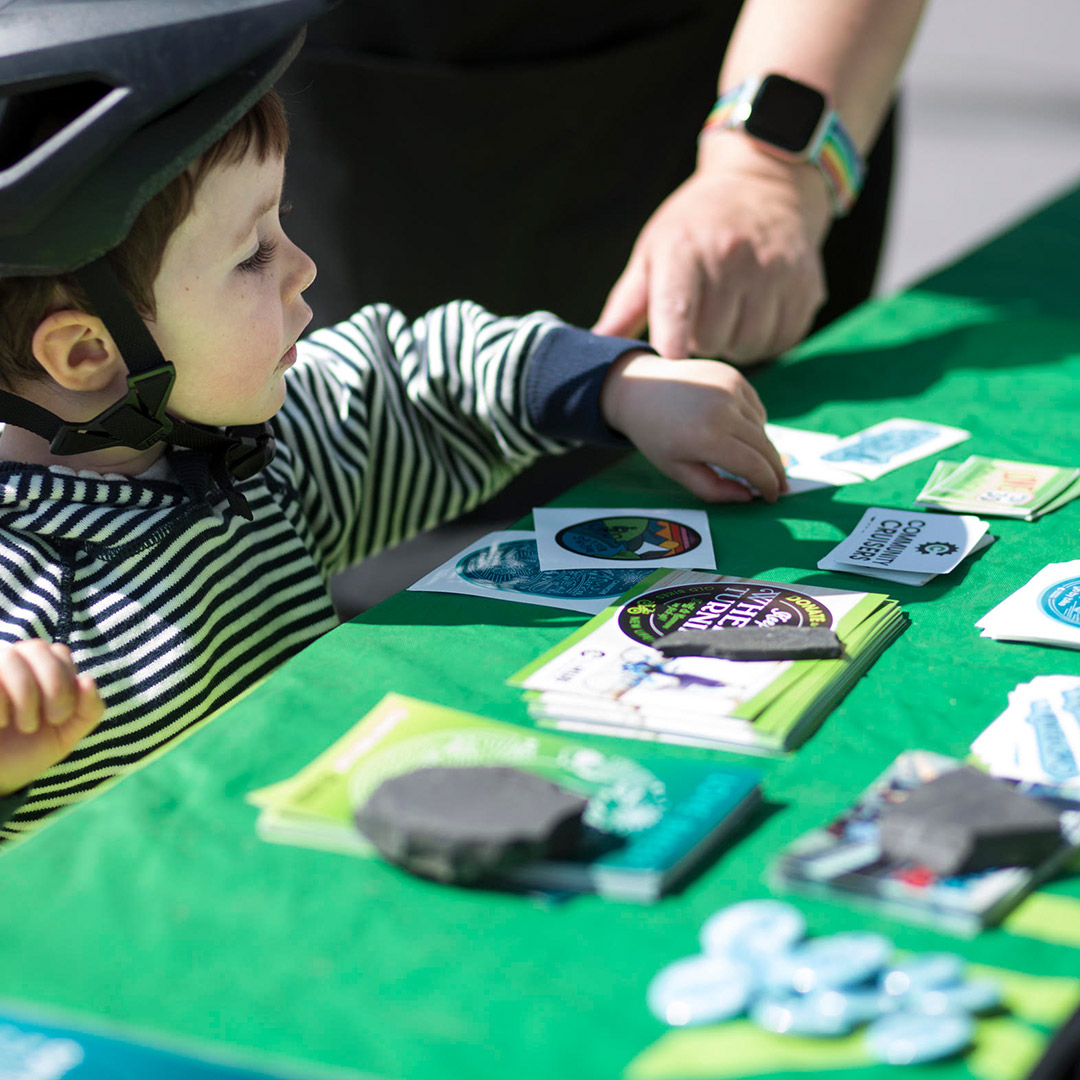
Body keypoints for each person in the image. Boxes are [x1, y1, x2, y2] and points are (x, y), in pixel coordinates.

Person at [0, 0, 784, 844]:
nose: (303, 270)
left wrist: (618, 387)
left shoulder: (257, 451)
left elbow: (420, 383)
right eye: (252, 255)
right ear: (87, 354)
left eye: (282, 225)